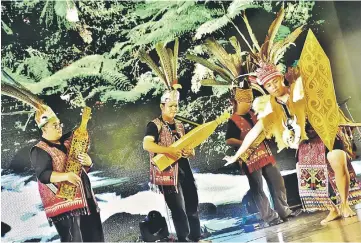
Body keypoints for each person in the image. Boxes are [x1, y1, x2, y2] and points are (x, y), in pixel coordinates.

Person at [224, 7, 361, 224]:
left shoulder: (298, 88)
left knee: (337, 160)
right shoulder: (269, 106)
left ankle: (345, 204)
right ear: (266, 88)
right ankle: (333, 208)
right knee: (307, 173)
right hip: (304, 140)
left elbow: (317, 91)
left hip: (323, 127)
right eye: (268, 85)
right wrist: (237, 154)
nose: (273, 86)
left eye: (275, 81)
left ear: (280, 78)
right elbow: (255, 133)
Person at [140, 39, 202, 242]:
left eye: (176, 106)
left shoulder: (180, 125)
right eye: (170, 106)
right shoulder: (154, 124)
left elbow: (185, 145)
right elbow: (147, 144)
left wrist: (189, 151)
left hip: (184, 169)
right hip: (168, 172)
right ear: (162, 106)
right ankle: (183, 239)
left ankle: (195, 237)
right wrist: (167, 151)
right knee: (178, 209)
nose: (174, 109)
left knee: (192, 205)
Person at [30, 105, 104, 242]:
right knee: (73, 239)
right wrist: (66, 176)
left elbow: (80, 167)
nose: (59, 127)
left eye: (59, 124)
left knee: (95, 238)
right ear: (44, 128)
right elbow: (43, 175)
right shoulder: (39, 150)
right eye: (54, 125)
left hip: (86, 199)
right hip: (64, 206)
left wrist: (88, 162)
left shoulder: (69, 141)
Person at [225, 85, 297, 225]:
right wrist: (245, 143)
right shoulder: (233, 120)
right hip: (249, 158)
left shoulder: (255, 113)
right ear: (239, 102)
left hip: (265, 154)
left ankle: (284, 211)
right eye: (247, 101)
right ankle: (270, 217)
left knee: (277, 182)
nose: (250, 103)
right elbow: (229, 139)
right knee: (258, 188)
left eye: (251, 100)